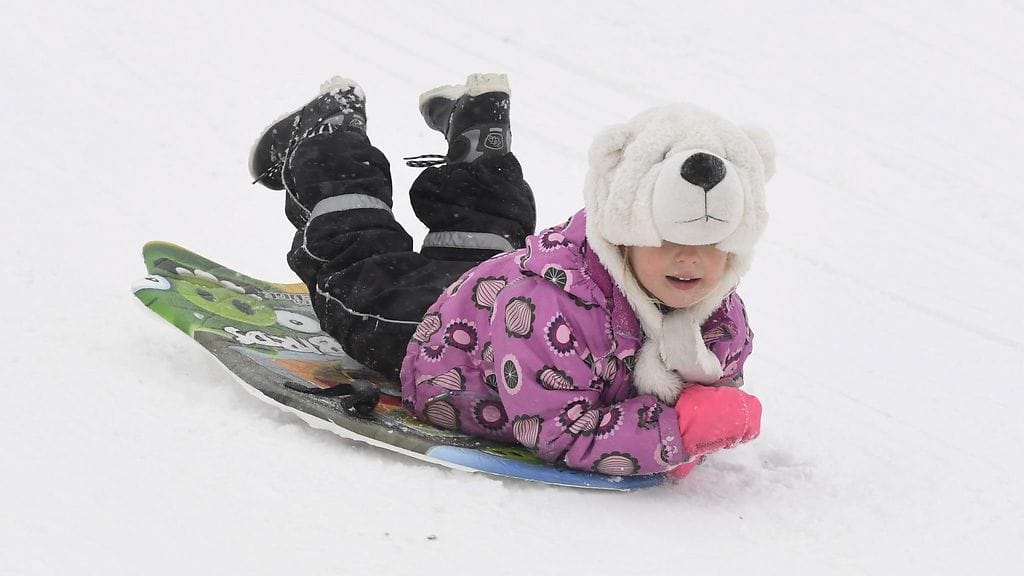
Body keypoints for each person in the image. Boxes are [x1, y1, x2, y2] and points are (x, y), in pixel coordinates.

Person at [249, 73, 773, 478]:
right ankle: (329, 136)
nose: (691, 261)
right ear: (621, 232)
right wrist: (676, 433)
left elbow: (717, 382)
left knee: (482, 235)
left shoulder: (718, 313)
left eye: (713, 246)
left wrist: (708, 413)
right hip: (429, 334)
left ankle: (480, 136)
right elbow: (559, 431)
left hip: (492, 297)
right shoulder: (553, 307)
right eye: (666, 241)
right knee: (356, 254)